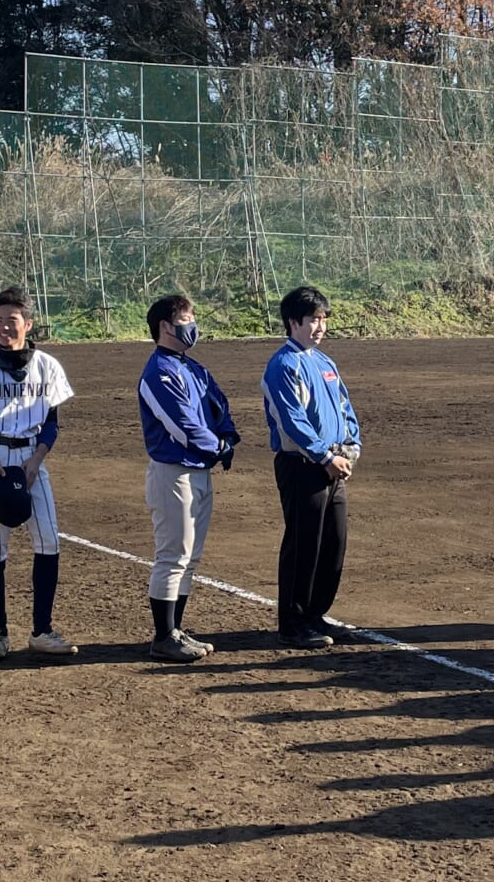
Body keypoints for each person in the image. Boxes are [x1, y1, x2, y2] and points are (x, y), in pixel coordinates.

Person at [0, 287, 77, 660]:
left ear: (28, 324)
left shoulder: (47, 366)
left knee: (49, 540)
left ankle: (41, 629)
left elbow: (52, 423)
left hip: (31, 457)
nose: (5, 327)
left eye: (12, 321)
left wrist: (38, 459)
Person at [137, 293, 240, 664]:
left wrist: (228, 438)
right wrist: (217, 448)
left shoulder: (193, 368)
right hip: (173, 472)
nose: (192, 323)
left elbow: (218, 405)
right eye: (186, 317)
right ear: (165, 326)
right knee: (173, 554)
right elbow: (182, 425)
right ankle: (163, 636)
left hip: (197, 470)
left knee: (190, 556)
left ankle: (175, 630)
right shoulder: (158, 372)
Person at [262, 285, 363, 648]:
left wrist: (351, 448)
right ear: (293, 322)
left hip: (335, 466)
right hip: (303, 465)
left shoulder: (325, 363)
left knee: (333, 544)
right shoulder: (283, 365)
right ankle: (293, 623)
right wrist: (325, 456)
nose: (320, 327)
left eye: (323, 320)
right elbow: (293, 422)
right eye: (313, 320)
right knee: (304, 544)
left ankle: (316, 615)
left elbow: (345, 409)